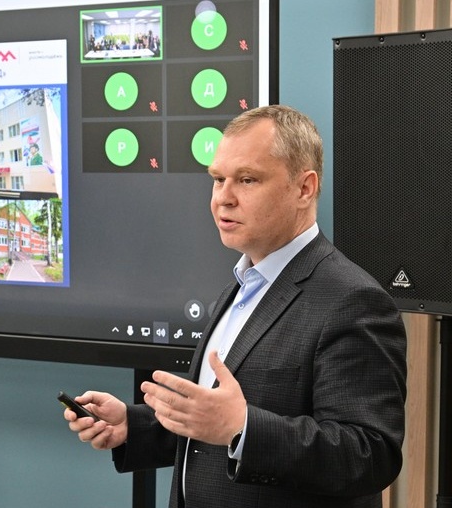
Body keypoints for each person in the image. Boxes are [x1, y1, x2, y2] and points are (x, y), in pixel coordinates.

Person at [63, 105, 407, 508]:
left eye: (246, 180)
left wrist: (243, 428)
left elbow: (369, 454)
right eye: (217, 180)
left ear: (304, 188)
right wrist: (132, 425)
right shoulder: (241, 285)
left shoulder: (353, 300)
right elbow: (211, 424)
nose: (223, 199)